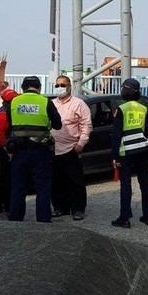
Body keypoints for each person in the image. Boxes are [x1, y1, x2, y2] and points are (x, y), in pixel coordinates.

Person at [7, 76, 62, 223]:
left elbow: (8, 123)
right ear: (39, 88)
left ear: (23, 88)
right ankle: (43, 221)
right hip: (40, 151)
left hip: (18, 151)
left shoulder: (14, 102)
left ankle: (15, 219)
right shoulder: (45, 102)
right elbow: (58, 125)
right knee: (42, 188)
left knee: (18, 188)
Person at [110, 78, 148, 228]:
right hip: (142, 149)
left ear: (126, 90)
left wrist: (115, 156)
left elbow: (116, 135)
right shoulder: (144, 108)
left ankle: (124, 218)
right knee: (144, 182)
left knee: (126, 184)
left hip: (126, 151)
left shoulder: (121, 109)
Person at [50, 75, 93, 221]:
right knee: (56, 180)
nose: (60, 88)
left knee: (75, 181)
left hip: (71, 148)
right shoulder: (51, 104)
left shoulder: (79, 104)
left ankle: (78, 209)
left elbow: (86, 125)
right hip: (53, 149)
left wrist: (81, 144)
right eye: (57, 85)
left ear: (69, 86)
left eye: (63, 85)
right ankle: (59, 208)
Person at [0, 88, 19, 221]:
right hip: (4, 151)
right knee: (4, 180)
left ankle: (6, 208)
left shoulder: (4, 110)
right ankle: (2, 210)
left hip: (3, 149)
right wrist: (8, 151)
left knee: (6, 179)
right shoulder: (4, 114)